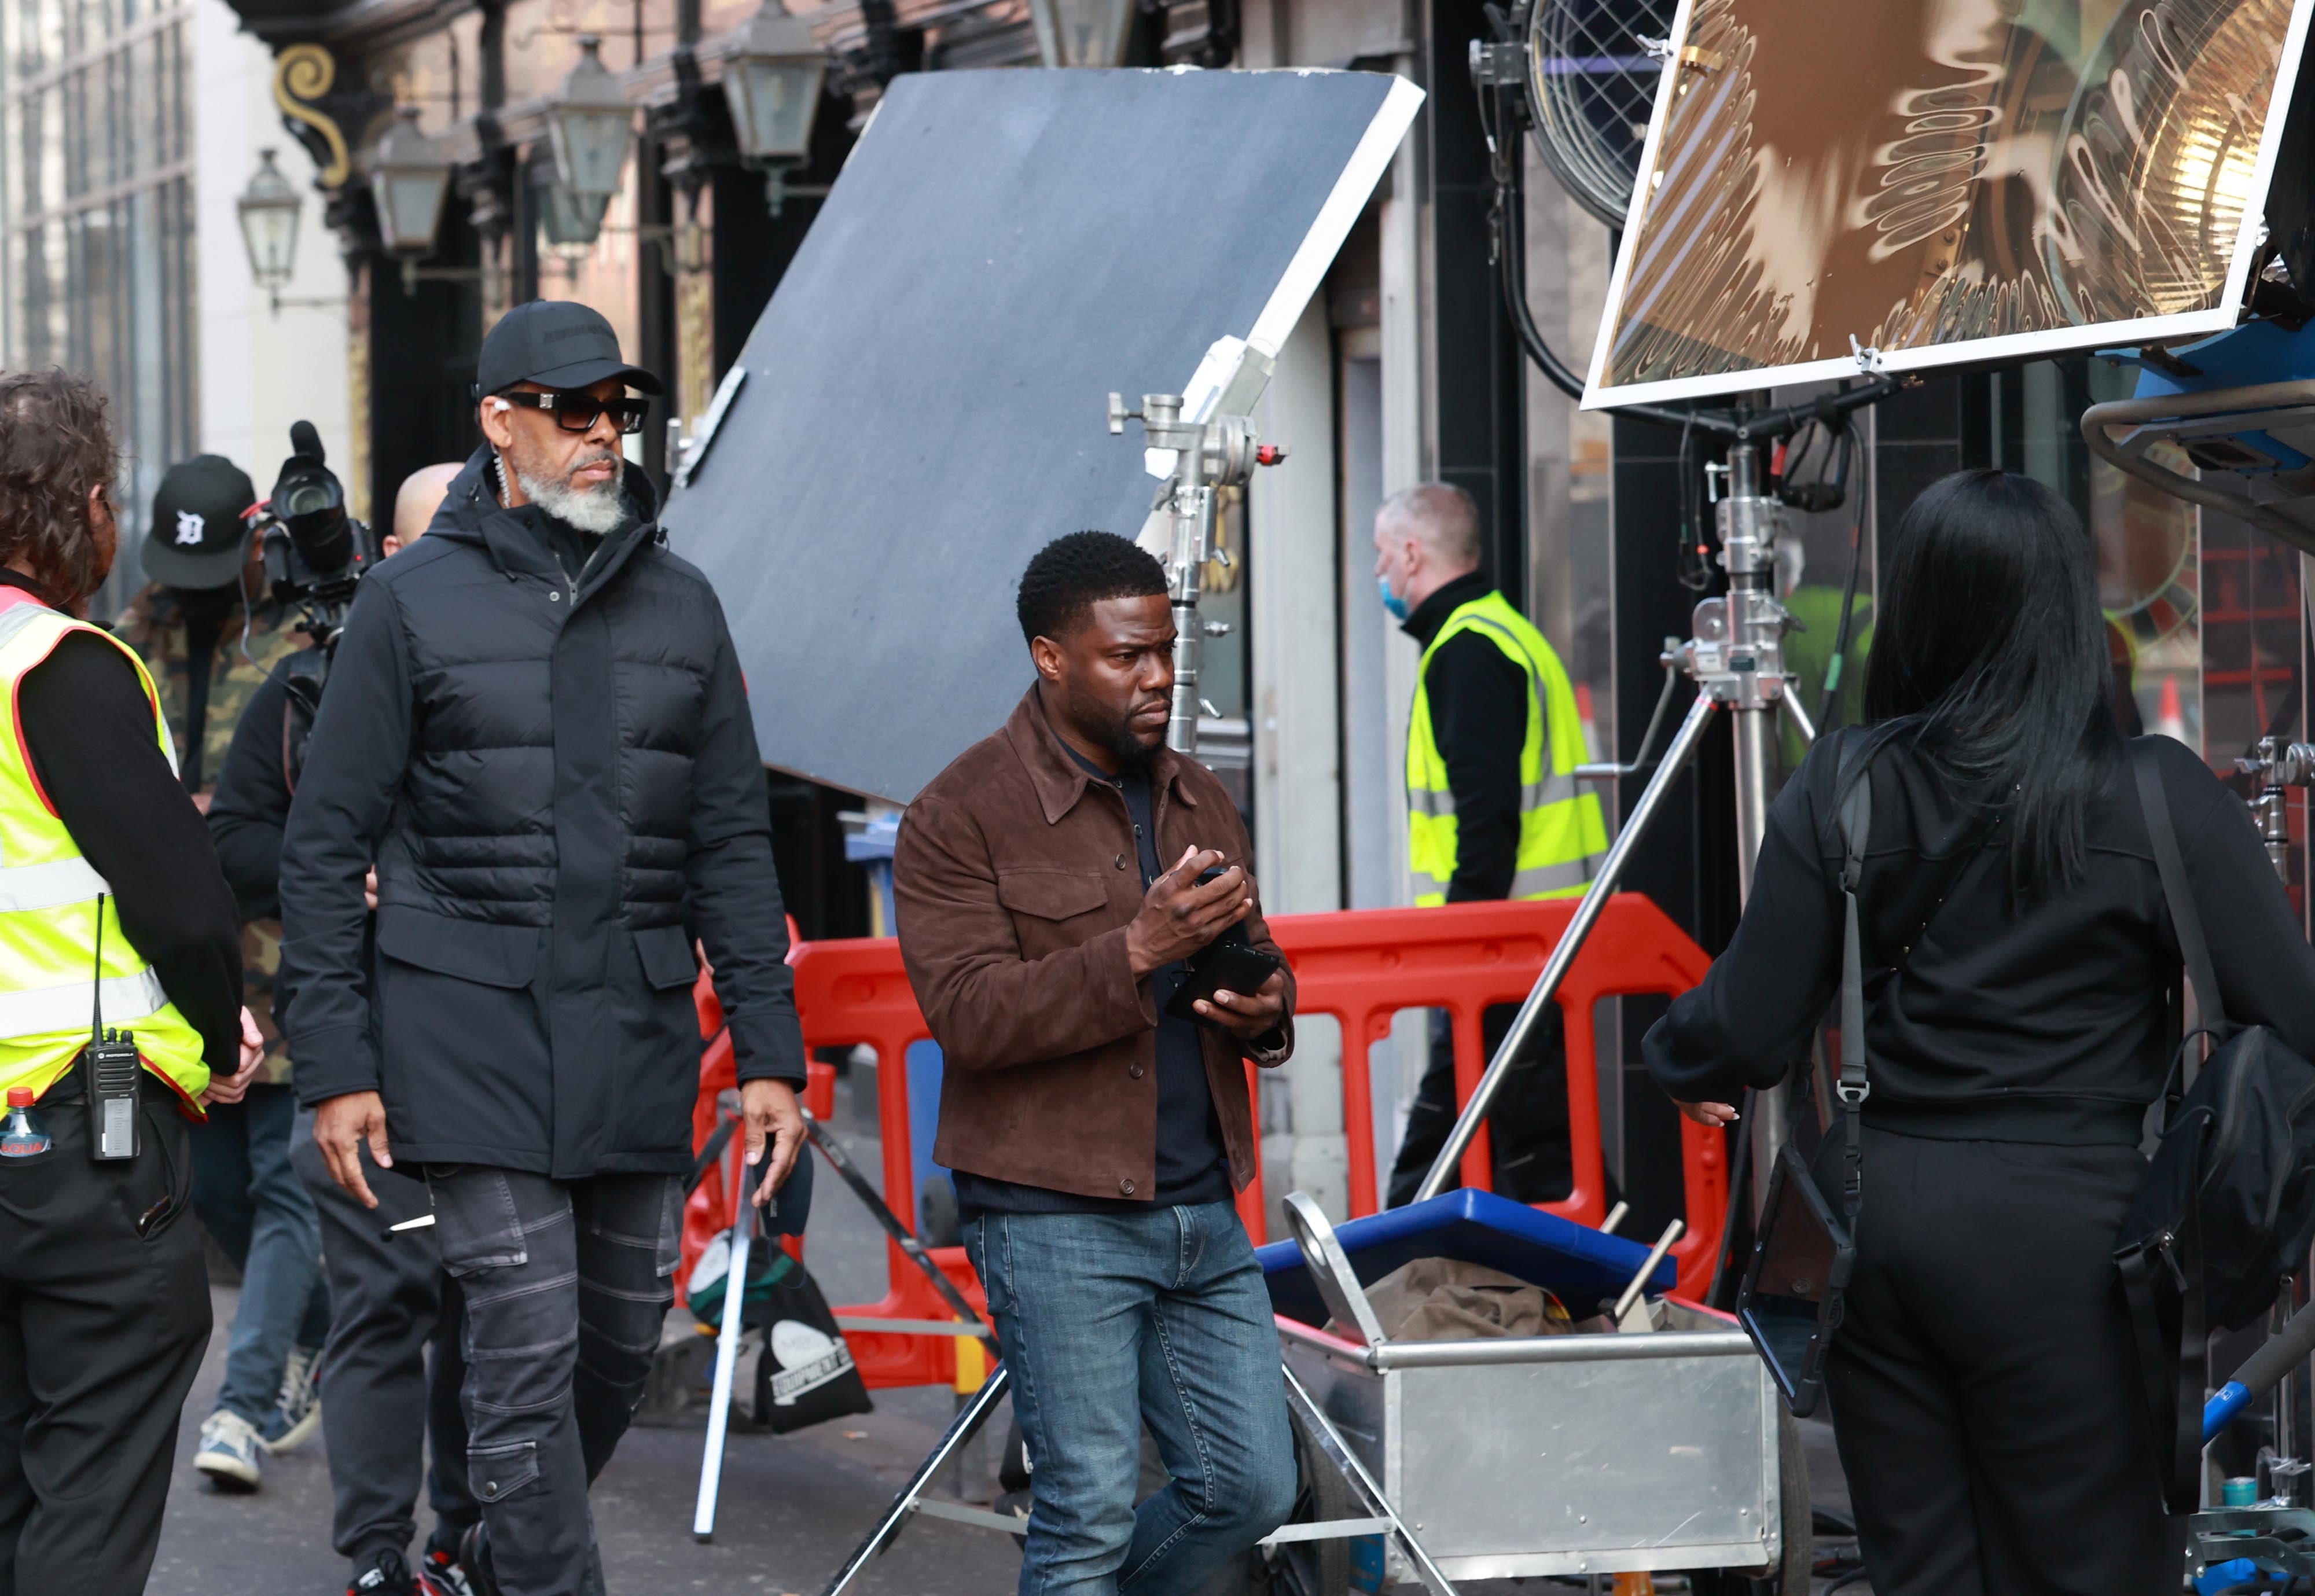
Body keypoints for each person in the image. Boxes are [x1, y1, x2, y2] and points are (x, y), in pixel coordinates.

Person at [1643, 469, 2315, 1593]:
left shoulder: (1843, 783)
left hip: (1881, 1228)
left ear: (1917, 607)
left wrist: (1678, 1061)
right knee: (2089, 1566)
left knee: (1921, 1570)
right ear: (2064, 609)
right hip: (2082, 1239)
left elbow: (1746, 1024)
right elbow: (2293, 1020)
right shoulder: (2157, 794)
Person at [279, 300, 809, 1596]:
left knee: (614, 1350)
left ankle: (477, 1546)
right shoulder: (407, 603)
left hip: (630, 1041)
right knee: (522, 1342)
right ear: (497, 421)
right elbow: (319, 843)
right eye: (570, 411)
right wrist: (338, 1065)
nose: (599, 435)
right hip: (464, 1041)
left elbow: (733, 846)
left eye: (616, 411)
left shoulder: (684, 603)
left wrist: (770, 1055)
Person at [894, 530, 1299, 1595]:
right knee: (1084, 1510)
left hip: (1201, 1202)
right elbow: (970, 1016)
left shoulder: (1200, 794)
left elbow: (1261, 967)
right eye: (1128, 655)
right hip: (1052, 1211)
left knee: (1253, 1485)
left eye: (1165, 648)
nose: (1158, 674)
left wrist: (1266, 1007)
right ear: (1051, 656)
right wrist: (1134, 950)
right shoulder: (956, 811)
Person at [0, 368, 264, 1591]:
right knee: (90, 1477)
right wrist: (223, 1035)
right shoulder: (66, 666)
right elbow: (184, 906)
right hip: (80, 1138)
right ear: (88, 507)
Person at [211, 459, 476, 1596]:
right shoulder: (298, 691)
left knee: (489, 1299)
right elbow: (236, 846)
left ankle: (469, 1530)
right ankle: (377, 1551)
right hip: (355, 1029)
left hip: (501, 1043)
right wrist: (343, 870)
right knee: (382, 1294)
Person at [117, 452, 332, 1490]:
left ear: (259, 535)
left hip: (287, 944)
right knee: (213, 1183)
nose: (192, 597)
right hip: (175, 953)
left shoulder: (306, 629)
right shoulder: (133, 629)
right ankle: (323, 1323)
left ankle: (245, 1405)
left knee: (285, 1180)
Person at [1372, 483, 1607, 1207]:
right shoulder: (1502, 632)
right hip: (1529, 943)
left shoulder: (1468, 651)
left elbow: (1486, 825)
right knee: (1534, 1138)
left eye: (1383, 558)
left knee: (1506, 1139)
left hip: (1502, 947)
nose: (1380, 576)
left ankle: (1381, 1286)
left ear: (1412, 554)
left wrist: (1460, 949)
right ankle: (1624, 1292)